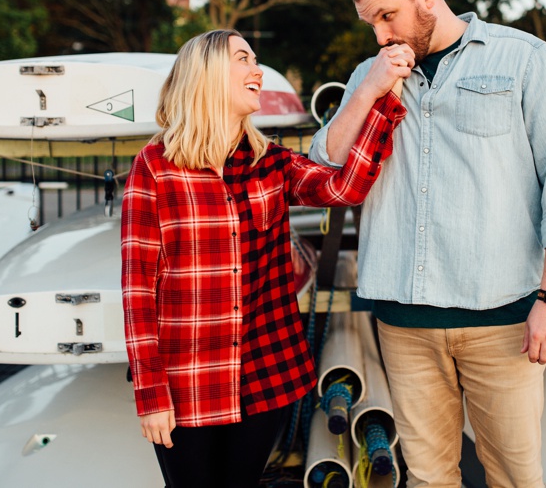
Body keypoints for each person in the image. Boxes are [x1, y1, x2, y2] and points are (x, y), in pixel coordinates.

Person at [309, 0, 546, 488]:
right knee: (427, 478)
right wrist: (370, 89)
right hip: (404, 323)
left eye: (386, 16)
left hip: (502, 320)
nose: (379, 35)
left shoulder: (524, 59)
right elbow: (324, 164)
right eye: (370, 23)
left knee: (515, 477)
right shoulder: (370, 75)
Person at [121, 29, 406, 488]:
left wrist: (378, 92)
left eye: (256, 59)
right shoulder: (154, 166)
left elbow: (344, 187)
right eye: (243, 59)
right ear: (207, 75)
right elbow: (138, 291)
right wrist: (151, 393)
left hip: (265, 377)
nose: (256, 69)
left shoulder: (269, 162)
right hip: (188, 383)